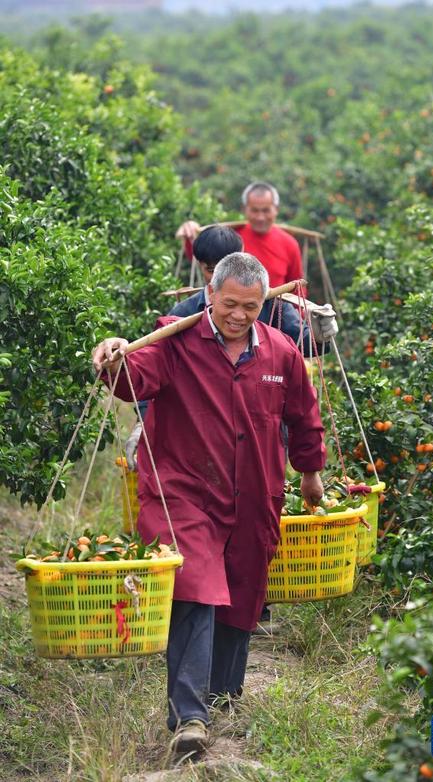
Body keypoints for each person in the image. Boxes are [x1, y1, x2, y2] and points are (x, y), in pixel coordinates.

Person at [92, 253, 326, 756]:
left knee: (242, 591)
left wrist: (310, 473)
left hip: (253, 491)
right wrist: (115, 358)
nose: (240, 315)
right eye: (230, 304)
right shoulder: (176, 340)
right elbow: (134, 380)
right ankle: (189, 716)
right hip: (183, 490)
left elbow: (304, 416)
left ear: (265, 303)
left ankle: (222, 696)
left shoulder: (281, 352)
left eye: (252, 306)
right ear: (210, 295)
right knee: (194, 588)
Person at [125, 225, 337, 469]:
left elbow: (305, 345)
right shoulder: (182, 316)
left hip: (260, 431)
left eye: (248, 308)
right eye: (211, 270)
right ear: (200, 266)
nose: (239, 315)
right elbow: (153, 371)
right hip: (200, 435)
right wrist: (144, 422)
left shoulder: (270, 306)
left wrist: (320, 335)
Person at [177, 181, 304, 288]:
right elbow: (201, 259)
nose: (260, 217)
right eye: (254, 210)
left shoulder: (289, 243)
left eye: (266, 210)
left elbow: (297, 286)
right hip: (231, 311)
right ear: (244, 209)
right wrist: (190, 232)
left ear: (276, 210)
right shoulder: (231, 237)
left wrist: (299, 315)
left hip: (274, 314)